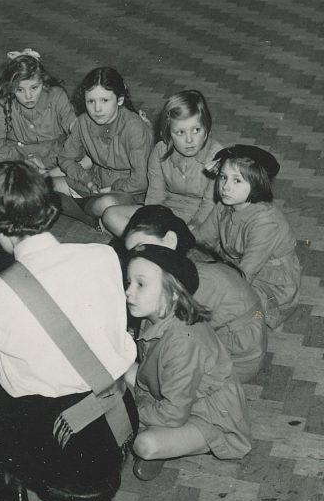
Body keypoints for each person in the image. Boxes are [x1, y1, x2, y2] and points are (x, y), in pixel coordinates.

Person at [0, 161, 137, 501]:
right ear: (49, 207)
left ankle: (11, 484)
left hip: (59, 447)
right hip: (119, 423)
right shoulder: (103, 256)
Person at [125, 244, 252, 480]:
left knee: (145, 445)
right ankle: (168, 439)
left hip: (207, 414)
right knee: (119, 367)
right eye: (129, 282)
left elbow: (174, 413)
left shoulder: (183, 341)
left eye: (140, 284)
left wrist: (131, 412)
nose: (128, 292)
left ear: (172, 292)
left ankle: (194, 443)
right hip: (173, 396)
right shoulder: (152, 317)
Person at [123, 205, 267, 383]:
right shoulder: (183, 261)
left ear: (170, 240)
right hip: (230, 339)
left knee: (128, 374)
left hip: (237, 361)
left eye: (142, 247)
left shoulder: (195, 279)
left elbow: (166, 333)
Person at [194, 145, 301, 330]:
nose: (226, 187)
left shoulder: (266, 224)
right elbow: (200, 240)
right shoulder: (224, 205)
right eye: (223, 177)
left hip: (270, 284)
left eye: (237, 181)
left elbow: (244, 276)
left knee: (233, 312)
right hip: (237, 265)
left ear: (257, 183)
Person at [102, 90, 222, 236]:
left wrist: (190, 228)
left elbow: (210, 204)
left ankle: (154, 245)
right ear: (168, 133)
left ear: (207, 128)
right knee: (110, 215)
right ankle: (160, 246)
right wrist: (152, 224)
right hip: (166, 212)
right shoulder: (160, 151)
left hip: (202, 219)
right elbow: (155, 196)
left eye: (196, 130)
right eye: (180, 132)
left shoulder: (217, 156)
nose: (189, 140)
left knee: (206, 236)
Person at [56, 67, 153, 226]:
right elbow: (66, 158)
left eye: (105, 100)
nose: (97, 109)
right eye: (90, 101)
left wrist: (113, 188)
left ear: (120, 100)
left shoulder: (134, 127)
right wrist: (87, 180)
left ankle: (90, 212)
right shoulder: (83, 122)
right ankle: (95, 217)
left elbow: (141, 180)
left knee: (105, 204)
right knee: (49, 186)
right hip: (95, 183)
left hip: (127, 191)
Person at [0, 48, 75, 176]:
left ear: (43, 82)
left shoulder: (57, 95)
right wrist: (22, 162)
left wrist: (46, 162)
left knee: (82, 154)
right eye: (20, 90)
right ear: (11, 88)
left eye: (34, 88)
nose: (28, 96)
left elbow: (76, 135)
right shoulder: (5, 100)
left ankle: (31, 176)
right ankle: (38, 175)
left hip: (54, 155)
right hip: (17, 157)